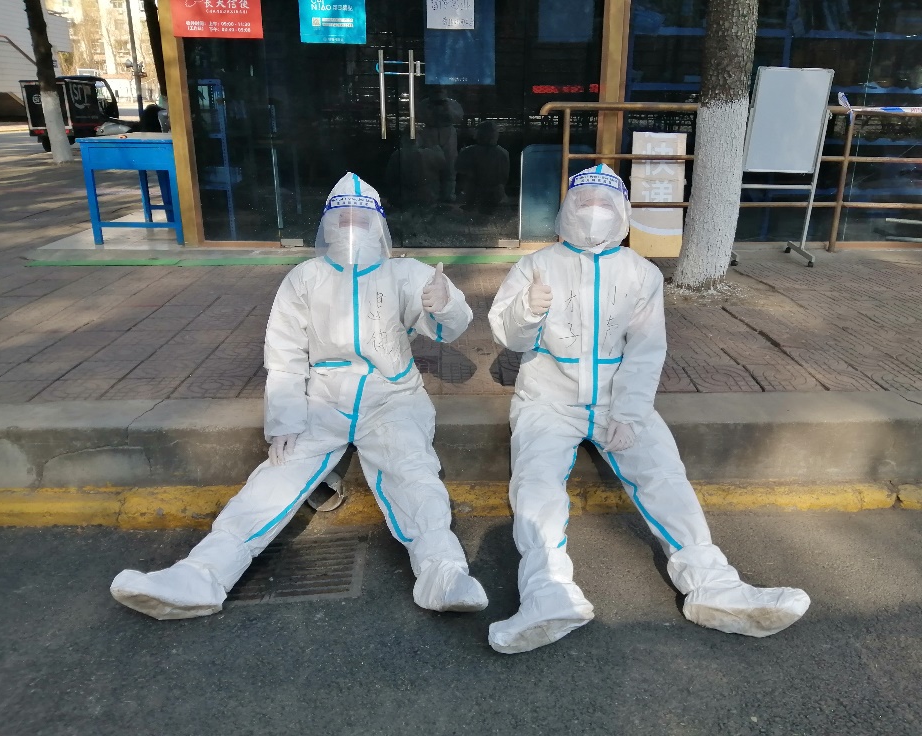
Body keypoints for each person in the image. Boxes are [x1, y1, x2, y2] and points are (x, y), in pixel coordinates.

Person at [110, 173, 488, 620]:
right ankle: (201, 575)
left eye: (360, 219)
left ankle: (443, 573)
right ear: (327, 224)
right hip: (323, 400)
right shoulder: (305, 278)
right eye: (342, 218)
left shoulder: (405, 273)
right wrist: (284, 419)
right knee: (273, 479)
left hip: (392, 397)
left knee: (415, 475)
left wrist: (445, 303)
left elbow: (449, 329)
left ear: (378, 225)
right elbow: (285, 354)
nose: (351, 228)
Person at [486, 164, 810, 654]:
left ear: (623, 214)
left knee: (663, 475)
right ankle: (546, 593)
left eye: (605, 204)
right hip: (547, 399)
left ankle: (713, 586)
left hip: (617, 398)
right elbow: (509, 337)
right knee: (535, 484)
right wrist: (527, 310)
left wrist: (631, 412)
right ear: (565, 210)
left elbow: (645, 349)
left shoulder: (640, 273)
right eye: (584, 202)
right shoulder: (535, 266)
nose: (593, 213)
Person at [456, 120, 509, 214]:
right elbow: (504, 176)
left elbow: (460, 171)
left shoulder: (468, 151)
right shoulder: (502, 152)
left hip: (475, 193)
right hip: (494, 193)